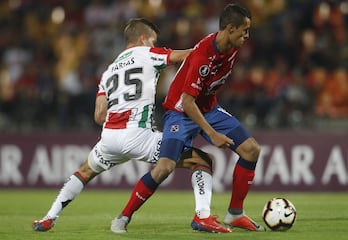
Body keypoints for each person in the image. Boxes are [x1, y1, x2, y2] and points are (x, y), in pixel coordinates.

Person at [32, 18, 231, 234]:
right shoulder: (147, 54)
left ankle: (49, 218)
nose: (154, 46)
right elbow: (187, 55)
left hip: (109, 138)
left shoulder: (109, 71)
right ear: (143, 38)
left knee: (84, 171)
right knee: (202, 161)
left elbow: (99, 115)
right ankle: (202, 215)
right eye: (153, 41)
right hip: (138, 135)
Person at [116, 4, 266, 232]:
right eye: (244, 30)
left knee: (251, 150)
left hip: (208, 107)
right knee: (164, 167)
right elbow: (187, 102)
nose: (247, 36)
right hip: (180, 112)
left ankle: (235, 213)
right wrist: (213, 134)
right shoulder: (203, 56)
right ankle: (123, 217)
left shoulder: (231, 45)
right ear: (230, 28)